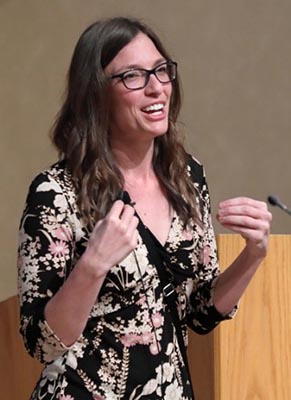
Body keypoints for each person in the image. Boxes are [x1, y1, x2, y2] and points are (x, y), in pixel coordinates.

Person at [17, 16, 272, 400]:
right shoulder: (56, 193)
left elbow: (200, 311)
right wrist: (92, 266)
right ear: (96, 93)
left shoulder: (187, 176)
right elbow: (42, 343)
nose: (157, 88)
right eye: (133, 76)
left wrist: (253, 254)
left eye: (161, 70)